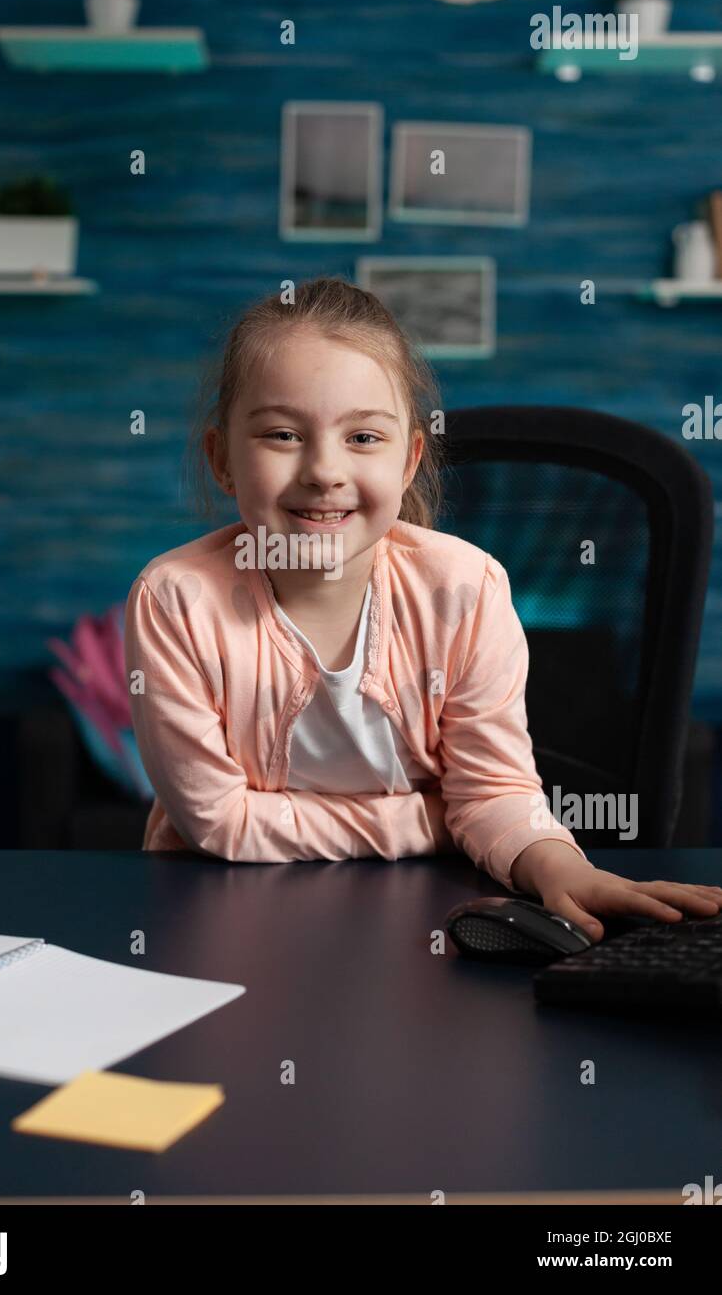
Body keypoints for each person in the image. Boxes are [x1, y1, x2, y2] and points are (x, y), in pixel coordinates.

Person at [124, 277, 722, 942]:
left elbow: (494, 794)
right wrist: (435, 820)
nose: (325, 470)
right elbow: (219, 821)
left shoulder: (466, 590)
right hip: (225, 912)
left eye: (363, 438)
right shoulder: (175, 600)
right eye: (284, 434)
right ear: (223, 460)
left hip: (427, 919)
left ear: (410, 461)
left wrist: (556, 864)